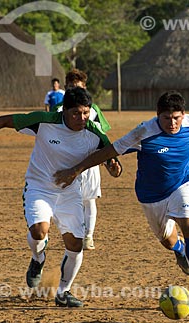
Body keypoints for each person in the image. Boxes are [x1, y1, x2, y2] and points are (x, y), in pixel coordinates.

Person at [54, 91, 189, 302]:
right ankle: (179, 249)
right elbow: (111, 150)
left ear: (183, 115)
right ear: (157, 115)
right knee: (168, 241)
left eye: (176, 118)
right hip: (151, 195)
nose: (172, 123)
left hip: (182, 184)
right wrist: (77, 169)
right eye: (166, 118)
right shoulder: (144, 132)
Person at [0, 87, 122, 307]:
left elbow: (110, 155)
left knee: (75, 244)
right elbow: (4, 121)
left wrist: (114, 167)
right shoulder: (44, 121)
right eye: (76, 113)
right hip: (39, 187)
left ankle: (63, 292)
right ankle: (38, 259)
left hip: (70, 192)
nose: (82, 118)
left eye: (86, 113)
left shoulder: (94, 133)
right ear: (65, 111)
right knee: (39, 231)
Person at [54, 69, 115, 250]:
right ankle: (72, 233)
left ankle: (88, 236)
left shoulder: (93, 109)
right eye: (71, 88)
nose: (75, 91)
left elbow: (101, 133)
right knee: (61, 198)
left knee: (89, 200)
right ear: (66, 88)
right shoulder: (58, 108)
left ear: (85, 88)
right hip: (65, 161)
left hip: (89, 162)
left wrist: (106, 159)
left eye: (78, 88)